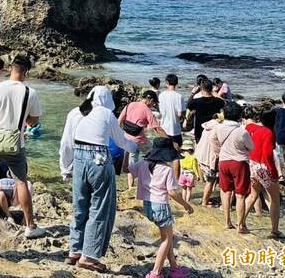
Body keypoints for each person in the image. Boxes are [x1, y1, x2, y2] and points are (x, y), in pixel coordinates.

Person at [65, 84, 136, 271]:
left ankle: (75, 250)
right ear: (106, 100)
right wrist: (138, 146)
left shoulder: (75, 113)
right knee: (100, 207)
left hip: (79, 159)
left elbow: (66, 143)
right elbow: (121, 142)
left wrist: (65, 168)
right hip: (99, 159)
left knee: (79, 204)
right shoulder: (106, 113)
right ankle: (89, 256)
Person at [0, 55, 45, 239]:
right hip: (16, 142)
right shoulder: (30, 92)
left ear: (9, 69)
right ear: (26, 72)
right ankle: (30, 226)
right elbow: (33, 121)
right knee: (21, 182)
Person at [129, 138, 194, 278]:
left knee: (167, 237)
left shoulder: (142, 163)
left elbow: (127, 170)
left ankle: (174, 268)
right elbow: (172, 192)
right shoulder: (166, 169)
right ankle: (155, 272)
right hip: (161, 206)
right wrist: (186, 205)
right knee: (166, 240)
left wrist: (125, 154)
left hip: (147, 205)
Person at [208, 102, 254, 234]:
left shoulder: (218, 127)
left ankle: (227, 222)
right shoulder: (242, 131)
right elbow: (251, 147)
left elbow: (212, 139)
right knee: (240, 195)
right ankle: (241, 225)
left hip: (223, 162)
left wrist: (218, 152)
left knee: (225, 192)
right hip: (239, 163)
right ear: (239, 116)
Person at [242, 107, 282, 238]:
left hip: (251, 165)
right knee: (275, 199)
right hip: (264, 167)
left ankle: (241, 223)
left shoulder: (250, 128)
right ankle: (274, 230)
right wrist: (274, 173)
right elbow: (268, 155)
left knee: (253, 195)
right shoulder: (269, 132)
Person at [119, 91, 168, 189]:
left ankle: (130, 187)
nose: (153, 105)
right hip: (140, 141)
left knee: (131, 163)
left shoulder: (130, 105)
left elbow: (120, 120)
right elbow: (157, 128)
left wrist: (121, 137)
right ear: (150, 100)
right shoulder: (147, 110)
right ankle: (158, 182)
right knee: (155, 156)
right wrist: (168, 140)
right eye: (154, 103)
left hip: (127, 140)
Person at [186, 78, 225, 144]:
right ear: (211, 89)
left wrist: (193, 93)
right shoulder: (218, 101)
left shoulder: (196, 102)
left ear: (201, 89)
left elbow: (188, 105)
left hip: (199, 130)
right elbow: (224, 103)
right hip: (213, 129)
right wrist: (215, 93)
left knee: (199, 148)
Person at [158, 75, 186, 147]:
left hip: (164, 128)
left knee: (165, 150)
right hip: (175, 129)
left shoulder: (161, 95)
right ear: (176, 83)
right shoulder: (179, 96)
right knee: (177, 150)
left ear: (166, 82)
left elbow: (160, 112)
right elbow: (180, 114)